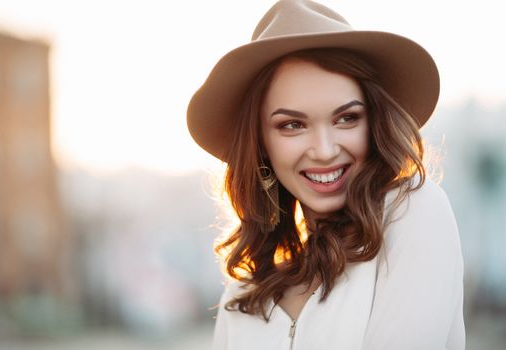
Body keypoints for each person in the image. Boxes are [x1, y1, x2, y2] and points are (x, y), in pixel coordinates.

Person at [187, 0, 465, 349]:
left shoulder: (412, 213)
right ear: (260, 144)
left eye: (346, 118)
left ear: (375, 122)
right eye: (292, 125)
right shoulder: (243, 295)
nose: (324, 149)